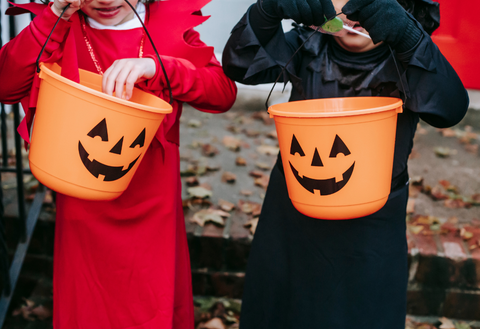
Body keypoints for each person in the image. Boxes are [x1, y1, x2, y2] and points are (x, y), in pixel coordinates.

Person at [222, 0, 468, 328]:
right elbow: (238, 63)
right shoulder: (305, 46)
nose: (356, 11)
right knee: (281, 310)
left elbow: (451, 107)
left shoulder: (410, 57)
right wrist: (267, 10)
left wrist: (410, 37)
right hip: (293, 216)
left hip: (371, 230)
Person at [0, 0, 237, 327]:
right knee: (88, 304)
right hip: (82, 202)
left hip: (152, 200)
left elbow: (222, 92)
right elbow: (6, 85)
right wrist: (52, 19)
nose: (106, 0)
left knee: (150, 301)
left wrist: (161, 68)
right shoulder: (60, 24)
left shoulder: (165, 27)